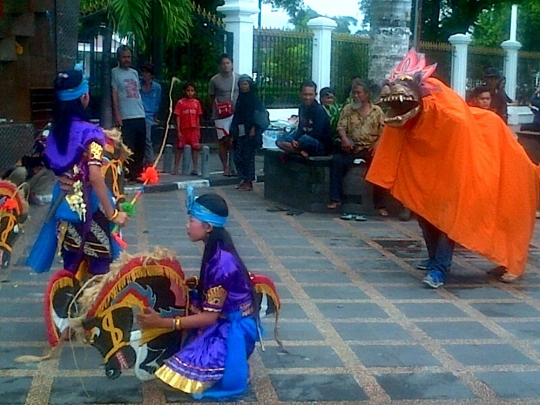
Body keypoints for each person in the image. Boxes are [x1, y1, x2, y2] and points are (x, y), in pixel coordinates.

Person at [367, 50, 540, 288]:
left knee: (450, 218)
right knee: (425, 215)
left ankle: (441, 268)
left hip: (476, 167)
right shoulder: (408, 121)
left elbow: (462, 142)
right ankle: (434, 260)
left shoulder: (450, 117)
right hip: (431, 174)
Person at [136, 187, 258, 399]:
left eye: (191, 220)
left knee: (178, 379)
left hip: (230, 329)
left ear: (208, 226)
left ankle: (236, 361)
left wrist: (163, 323)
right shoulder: (215, 251)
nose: (187, 225)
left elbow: (210, 317)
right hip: (222, 318)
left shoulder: (221, 263)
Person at [27, 69, 129, 275]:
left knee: (71, 265)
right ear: (84, 96)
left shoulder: (51, 132)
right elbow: (94, 175)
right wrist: (113, 214)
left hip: (62, 207)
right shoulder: (91, 133)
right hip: (91, 209)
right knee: (101, 268)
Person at [327, 80, 388, 216]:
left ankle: (380, 205)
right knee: (337, 161)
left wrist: (377, 143)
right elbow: (341, 127)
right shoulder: (348, 109)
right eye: (353, 93)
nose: (355, 96)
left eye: (358, 93)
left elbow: (384, 130)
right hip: (352, 147)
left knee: (380, 165)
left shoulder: (377, 111)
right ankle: (335, 200)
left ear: (366, 95)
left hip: (369, 147)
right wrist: (344, 139)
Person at [111, 45, 146, 182]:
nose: (127, 60)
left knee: (140, 146)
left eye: (129, 57)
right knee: (127, 147)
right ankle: (126, 173)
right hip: (126, 115)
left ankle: (137, 173)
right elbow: (114, 93)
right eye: (124, 57)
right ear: (119, 58)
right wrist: (117, 114)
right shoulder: (115, 72)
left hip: (139, 113)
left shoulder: (134, 73)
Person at [230, 75, 267, 191]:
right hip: (240, 131)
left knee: (248, 156)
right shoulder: (240, 99)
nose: (244, 87)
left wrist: (254, 128)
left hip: (250, 132)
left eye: (246, 84)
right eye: (242, 84)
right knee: (238, 155)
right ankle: (243, 178)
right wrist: (233, 131)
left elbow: (259, 115)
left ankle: (249, 180)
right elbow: (237, 115)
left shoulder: (255, 99)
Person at [276, 80, 331, 157]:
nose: (307, 97)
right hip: (303, 140)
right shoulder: (302, 108)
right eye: (305, 94)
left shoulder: (319, 111)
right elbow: (300, 129)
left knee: (304, 139)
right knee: (280, 139)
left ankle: (297, 149)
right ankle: (300, 151)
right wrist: (293, 140)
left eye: (310, 95)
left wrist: (298, 141)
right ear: (300, 94)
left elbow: (317, 134)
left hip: (319, 144)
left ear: (315, 95)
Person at [3, 125, 54, 205]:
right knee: (21, 171)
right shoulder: (19, 148)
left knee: (50, 170)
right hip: (14, 181)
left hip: (28, 181)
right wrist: (31, 170)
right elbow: (12, 168)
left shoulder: (41, 148)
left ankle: (30, 194)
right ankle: (12, 195)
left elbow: (48, 163)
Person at [209, 54, 239, 177]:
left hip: (235, 114)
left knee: (234, 140)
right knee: (222, 141)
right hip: (220, 116)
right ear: (220, 66)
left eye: (228, 63)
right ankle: (225, 167)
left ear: (232, 64)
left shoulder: (238, 78)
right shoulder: (214, 80)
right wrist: (216, 110)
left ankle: (234, 167)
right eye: (223, 63)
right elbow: (211, 97)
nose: (226, 66)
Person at [173, 82, 203, 175]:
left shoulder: (196, 103)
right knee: (179, 148)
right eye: (188, 91)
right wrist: (178, 130)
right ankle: (176, 167)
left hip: (193, 129)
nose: (190, 93)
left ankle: (195, 168)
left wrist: (198, 129)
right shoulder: (180, 103)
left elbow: (198, 117)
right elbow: (178, 116)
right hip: (183, 129)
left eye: (192, 91)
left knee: (195, 148)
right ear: (184, 91)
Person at [139, 62, 162, 166]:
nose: (145, 74)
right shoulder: (138, 85)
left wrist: (155, 117)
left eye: (147, 72)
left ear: (151, 74)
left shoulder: (156, 87)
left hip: (148, 116)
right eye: (143, 71)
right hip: (138, 113)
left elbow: (157, 102)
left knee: (147, 139)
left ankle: (150, 161)